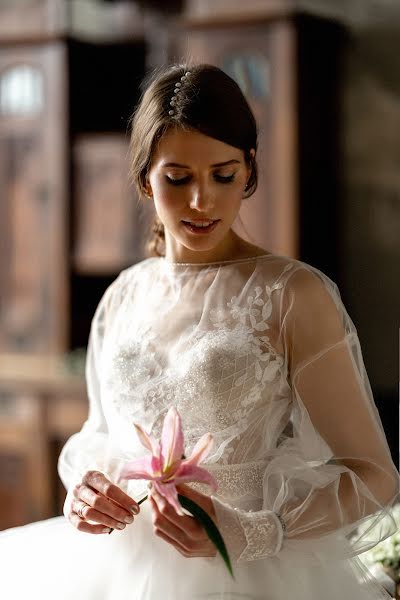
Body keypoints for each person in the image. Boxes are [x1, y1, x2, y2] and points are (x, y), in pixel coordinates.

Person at [0, 62, 398, 600]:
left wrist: (250, 533)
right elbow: (99, 435)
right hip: (110, 570)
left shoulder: (292, 295)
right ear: (145, 178)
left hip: (249, 577)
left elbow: (373, 475)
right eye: (178, 177)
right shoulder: (123, 295)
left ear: (250, 170)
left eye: (223, 175)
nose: (201, 201)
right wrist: (85, 488)